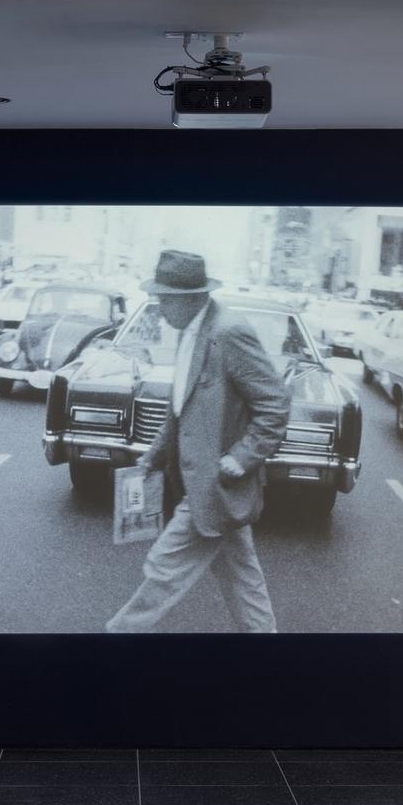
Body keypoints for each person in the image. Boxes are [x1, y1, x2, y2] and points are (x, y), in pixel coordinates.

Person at [105, 249, 290, 634]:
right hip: (209, 484)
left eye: (165, 299)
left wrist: (244, 455)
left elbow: (275, 402)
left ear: (191, 298)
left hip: (217, 484)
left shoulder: (227, 333)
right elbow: (181, 411)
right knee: (244, 581)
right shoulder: (190, 333)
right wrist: (151, 458)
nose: (159, 307)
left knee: (163, 570)